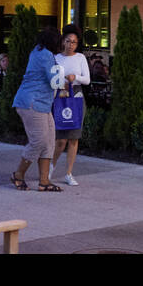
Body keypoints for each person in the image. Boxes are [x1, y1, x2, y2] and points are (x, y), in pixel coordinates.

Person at [10, 27, 63, 192]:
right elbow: (54, 81)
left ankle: (44, 181)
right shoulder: (46, 55)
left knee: (48, 142)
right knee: (39, 141)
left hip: (41, 103)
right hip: (33, 103)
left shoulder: (37, 52)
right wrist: (66, 79)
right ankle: (18, 174)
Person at [51, 29, 90, 186]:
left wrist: (76, 78)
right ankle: (50, 167)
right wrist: (62, 83)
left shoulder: (80, 58)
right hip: (60, 95)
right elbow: (52, 79)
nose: (70, 45)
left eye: (74, 42)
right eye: (68, 41)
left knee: (74, 137)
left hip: (77, 96)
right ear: (63, 41)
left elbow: (87, 79)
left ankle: (68, 173)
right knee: (60, 139)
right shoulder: (56, 58)